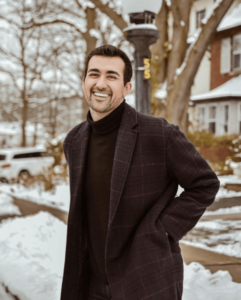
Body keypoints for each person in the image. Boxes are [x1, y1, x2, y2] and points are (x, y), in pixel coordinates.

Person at [60, 45, 220, 300]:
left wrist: (164, 229)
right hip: (91, 284)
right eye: (94, 74)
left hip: (146, 278)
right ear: (84, 82)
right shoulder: (74, 140)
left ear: (127, 87)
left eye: (111, 76)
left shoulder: (160, 134)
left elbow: (205, 183)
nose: (101, 83)